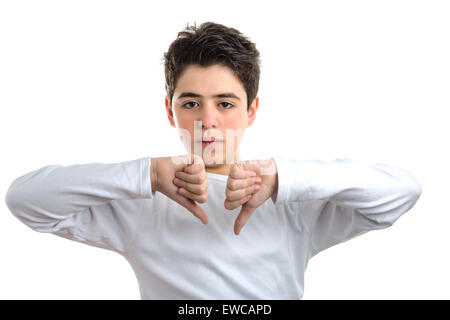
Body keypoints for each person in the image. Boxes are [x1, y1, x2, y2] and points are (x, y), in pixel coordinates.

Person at [5, 21, 422, 299]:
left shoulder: (293, 202)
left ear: (251, 111)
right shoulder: (140, 204)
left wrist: (284, 179)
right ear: (170, 112)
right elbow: (25, 200)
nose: (208, 121)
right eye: (191, 103)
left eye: (225, 103)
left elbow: (402, 192)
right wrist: (149, 174)